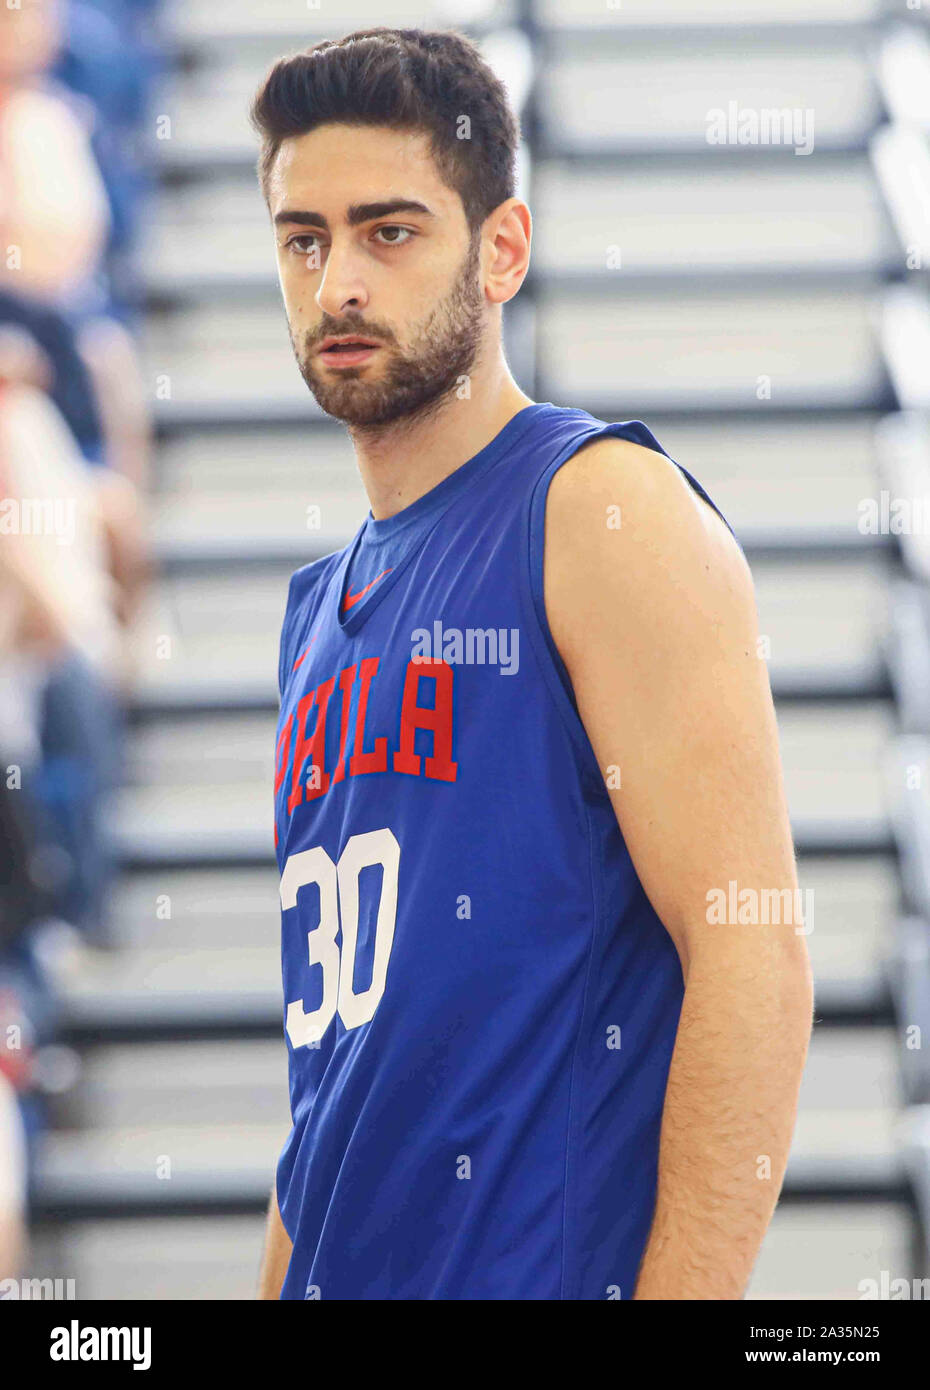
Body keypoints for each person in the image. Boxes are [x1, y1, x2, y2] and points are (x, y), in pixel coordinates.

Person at [251, 27, 814, 1301]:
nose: (337, 280)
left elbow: (754, 959)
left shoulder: (598, 510)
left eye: (389, 231)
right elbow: (336, 1080)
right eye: (304, 238)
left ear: (500, 250)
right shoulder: (310, 613)